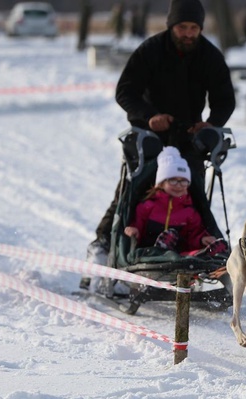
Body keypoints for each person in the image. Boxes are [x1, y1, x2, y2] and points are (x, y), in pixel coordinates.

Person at [83, 0, 235, 285]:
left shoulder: (209, 55)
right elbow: (125, 92)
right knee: (134, 189)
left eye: (194, 28)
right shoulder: (150, 50)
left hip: (188, 135)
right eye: (182, 27)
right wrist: (149, 116)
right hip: (149, 138)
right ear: (171, 26)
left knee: (193, 192)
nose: (188, 33)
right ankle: (104, 243)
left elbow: (225, 98)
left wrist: (212, 123)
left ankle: (204, 248)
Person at [125, 146, 224, 255]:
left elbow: (193, 236)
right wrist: (133, 231)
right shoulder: (147, 206)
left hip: (179, 255)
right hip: (148, 251)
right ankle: (162, 249)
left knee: (189, 255)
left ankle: (207, 253)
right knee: (156, 248)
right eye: (173, 180)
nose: (179, 185)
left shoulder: (190, 212)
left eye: (183, 181)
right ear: (161, 183)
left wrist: (201, 240)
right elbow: (137, 227)